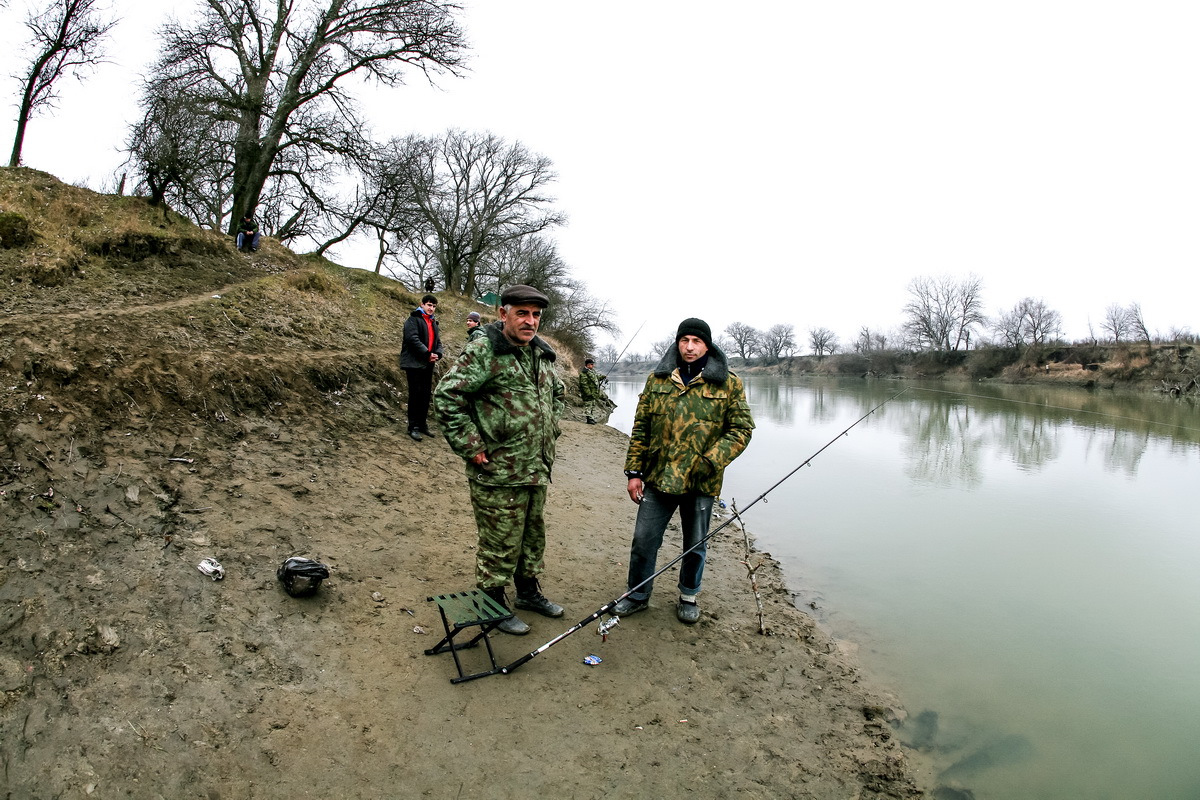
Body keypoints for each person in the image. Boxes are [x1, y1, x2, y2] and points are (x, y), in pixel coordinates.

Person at [433, 285, 566, 635]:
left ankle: (527, 593)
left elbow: (558, 394)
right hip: (496, 469)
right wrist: (471, 443)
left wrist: (551, 429)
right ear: (503, 314)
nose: (530, 321)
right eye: (522, 313)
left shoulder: (541, 354)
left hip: (535, 466)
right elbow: (448, 397)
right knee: (500, 541)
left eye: (536, 315)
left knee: (531, 535)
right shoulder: (485, 350)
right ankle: (492, 603)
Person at [613, 318, 754, 624]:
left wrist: (709, 461)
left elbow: (741, 430)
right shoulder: (658, 379)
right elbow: (641, 429)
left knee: (695, 545)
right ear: (677, 343)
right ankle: (637, 595)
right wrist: (634, 472)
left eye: (697, 341)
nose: (690, 347)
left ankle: (688, 595)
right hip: (658, 478)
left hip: (701, 482)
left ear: (708, 345)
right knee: (643, 541)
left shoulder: (729, 383)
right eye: (684, 340)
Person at [399, 294, 443, 441]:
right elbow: (412, 339)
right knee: (415, 395)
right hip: (414, 363)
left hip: (427, 364)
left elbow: (438, 342)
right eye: (429, 305)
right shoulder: (413, 320)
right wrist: (427, 353)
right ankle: (413, 427)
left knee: (425, 395)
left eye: (434, 306)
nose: (431, 308)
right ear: (422, 304)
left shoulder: (433, 322)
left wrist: (437, 353)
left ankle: (422, 424)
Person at [578, 357, 607, 424]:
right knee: (588, 406)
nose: (593, 365)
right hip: (588, 394)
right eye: (591, 364)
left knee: (592, 405)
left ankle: (591, 418)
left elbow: (596, 378)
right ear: (587, 365)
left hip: (593, 393)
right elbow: (584, 385)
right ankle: (589, 419)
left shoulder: (592, 372)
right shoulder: (583, 373)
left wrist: (602, 377)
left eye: (592, 364)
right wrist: (588, 393)